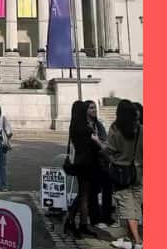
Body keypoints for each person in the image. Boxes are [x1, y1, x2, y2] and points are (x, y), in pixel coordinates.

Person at [107, 100, 143, 249]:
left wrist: (113, 160)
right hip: (138, 172)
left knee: (126, 207)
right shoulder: (141, 129)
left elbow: (110, 150)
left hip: (121, 172)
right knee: (135, 205)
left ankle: (138, 241)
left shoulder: (115, 129)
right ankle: (128, 240)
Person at [64, 100, 101, 238]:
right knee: (83, 195)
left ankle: (81, 223)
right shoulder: (84, 128)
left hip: (83, 164)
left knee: (84, 194)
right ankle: (72, 220)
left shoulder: (75, 125)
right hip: (86, 164)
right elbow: (94, 144)